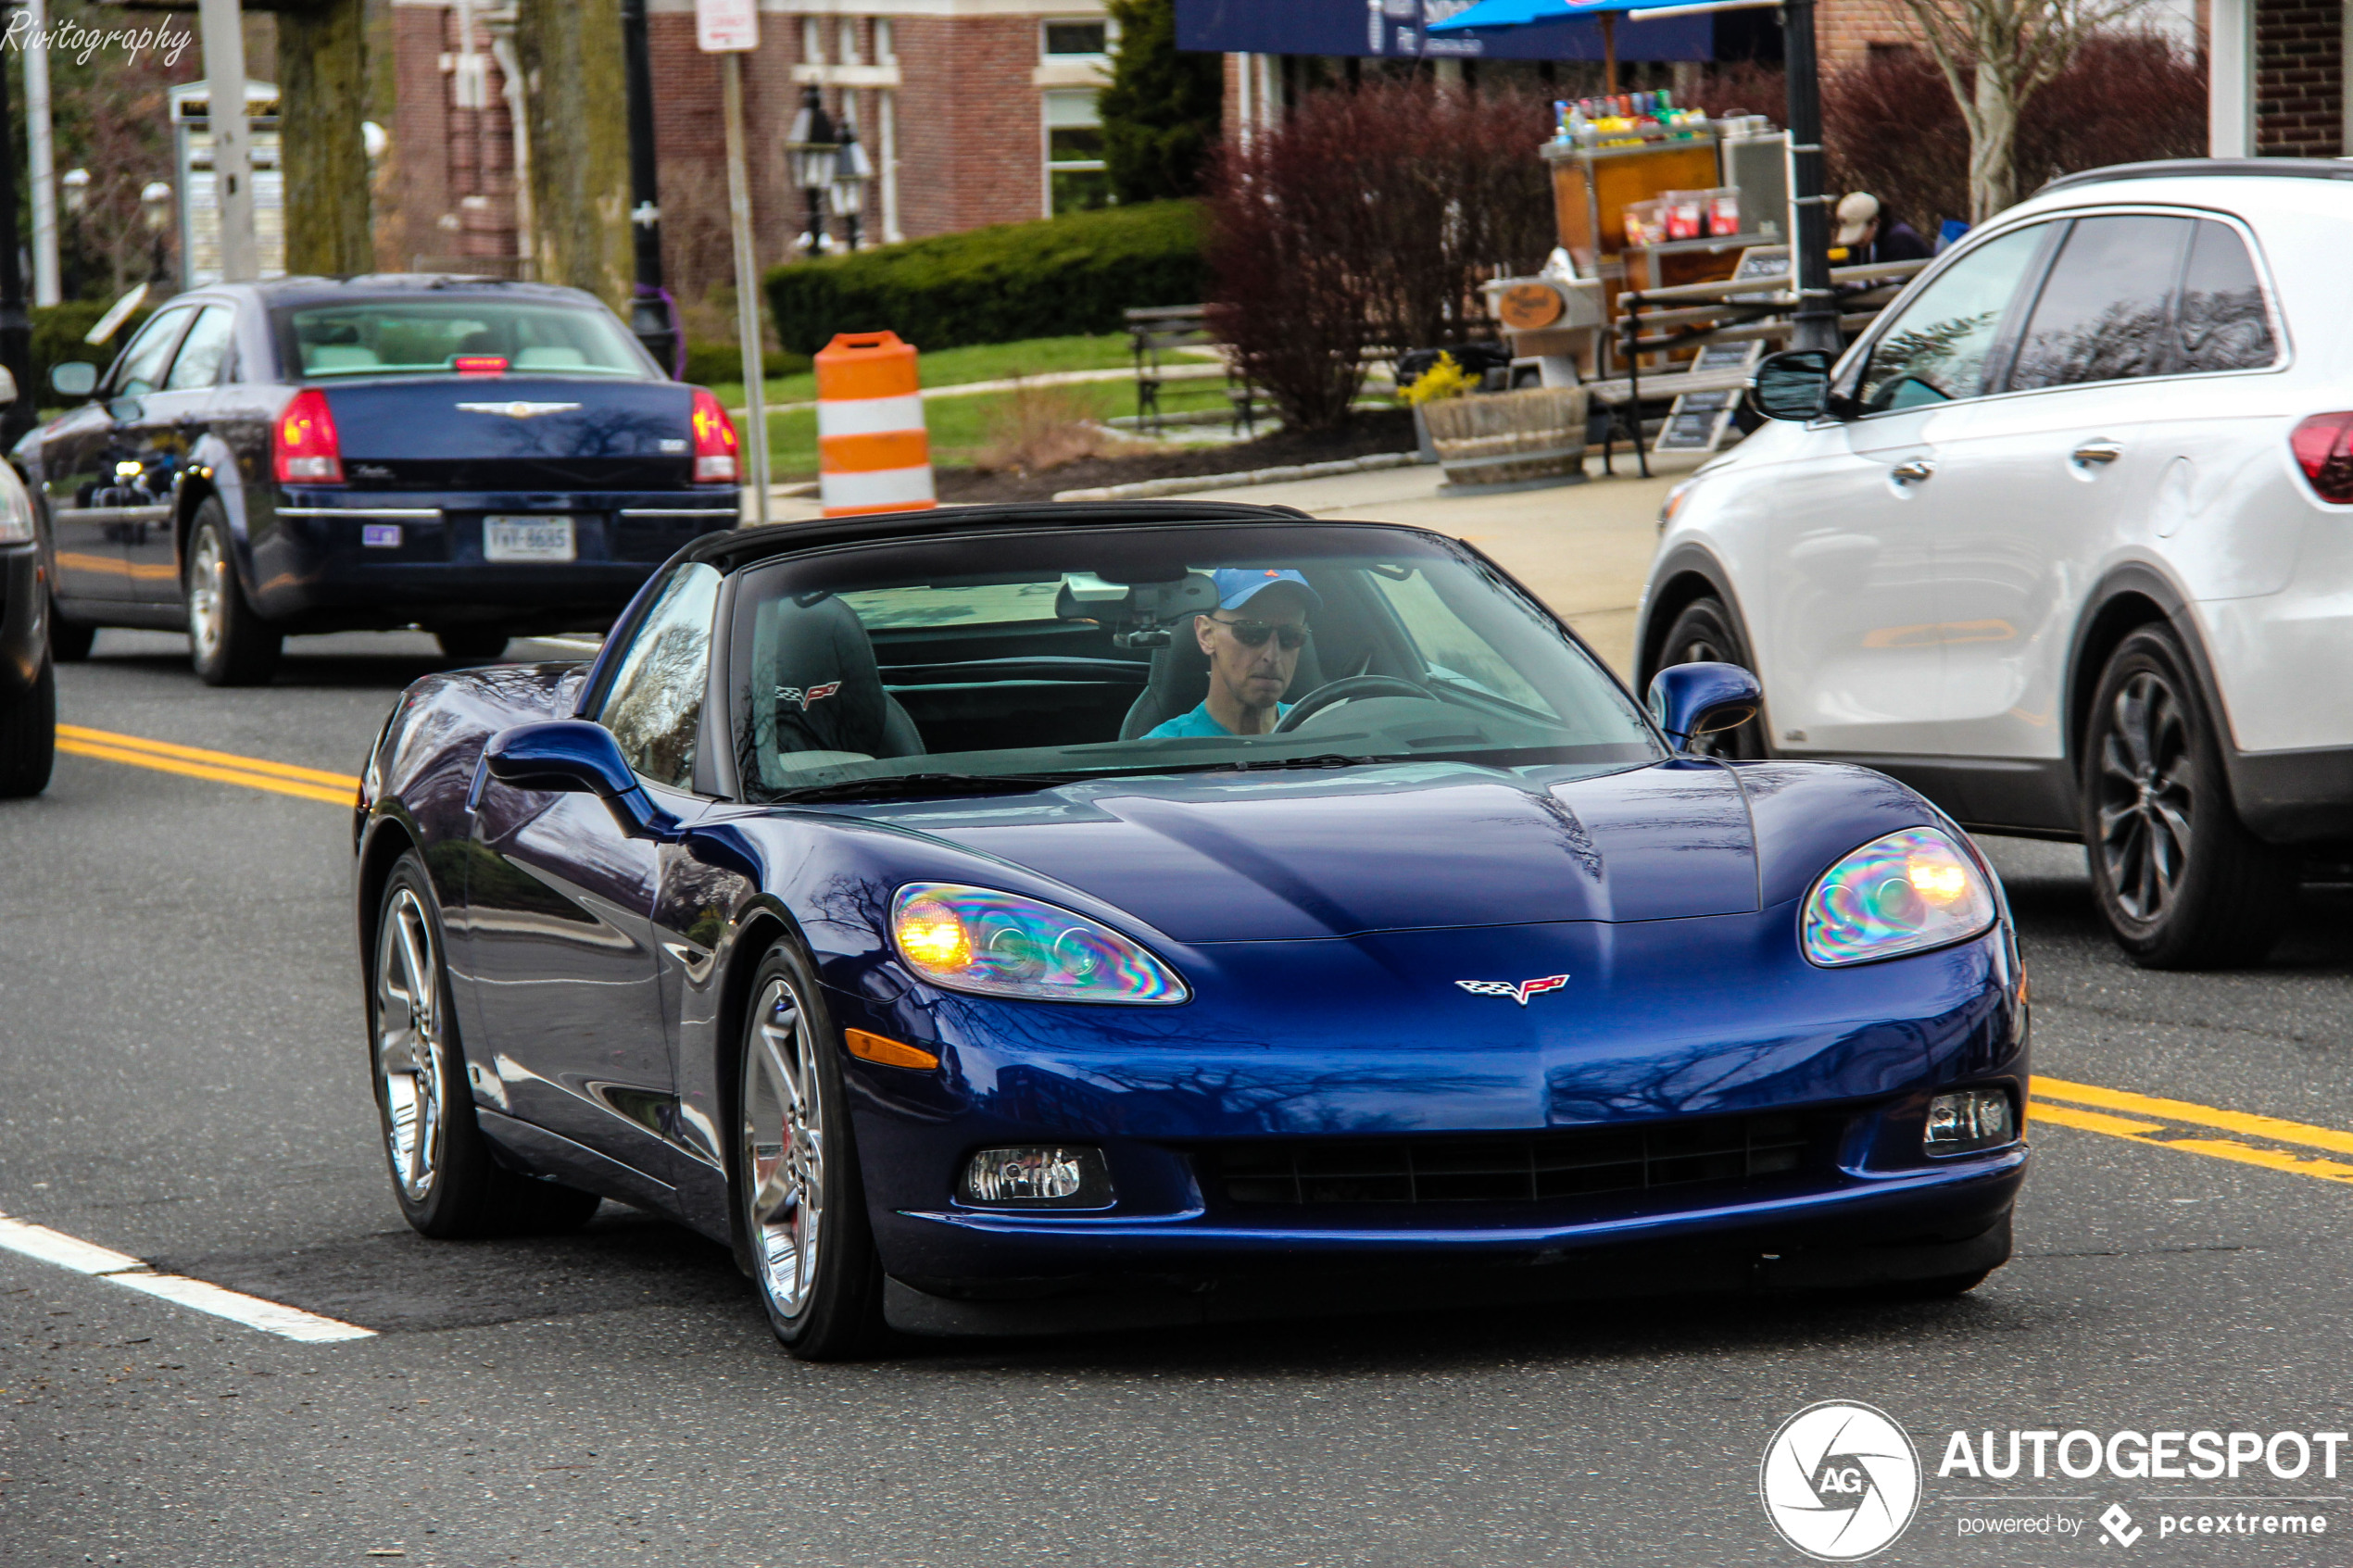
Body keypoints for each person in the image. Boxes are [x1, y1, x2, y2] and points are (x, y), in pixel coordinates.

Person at [1145, 569, 1322, 738]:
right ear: (1206, 634)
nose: (1272, 656)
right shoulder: (1161, 757)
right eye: (1251, 632)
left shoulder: (1320, 736)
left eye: (1291, 635)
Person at [1833, 192, 1932, 265]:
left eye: (1859, 232)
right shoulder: (1860, 245)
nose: (1856, 240)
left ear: (1875, 221)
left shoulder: (1900, 241)